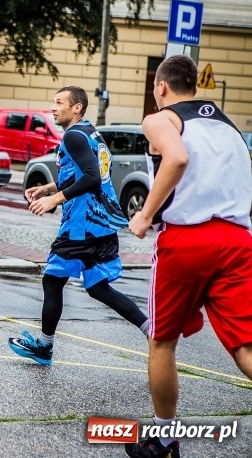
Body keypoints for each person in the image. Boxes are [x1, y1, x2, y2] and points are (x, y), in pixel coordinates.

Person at [125, 55, 252, 457]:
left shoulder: (160, 118)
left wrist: (145, 215)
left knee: (162, 342)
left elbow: (177, 158)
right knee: (245, 346)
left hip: (187, 240)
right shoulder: (230, 128)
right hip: (237, 240)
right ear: (195, 87)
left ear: (161, 87)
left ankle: (164, 440)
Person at [7, 86, 148, 365]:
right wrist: (49, 187)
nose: (53, 108)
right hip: (102, 225)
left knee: (52, 279)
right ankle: (151, 329)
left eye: (59, 102)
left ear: (77, 108)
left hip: (82, 226)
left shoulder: (72, 136)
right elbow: (87, 172)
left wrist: (54, 199)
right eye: (53, 102)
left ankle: (44, 348)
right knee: (98, 287)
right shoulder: (89, 132)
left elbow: (92, 177)